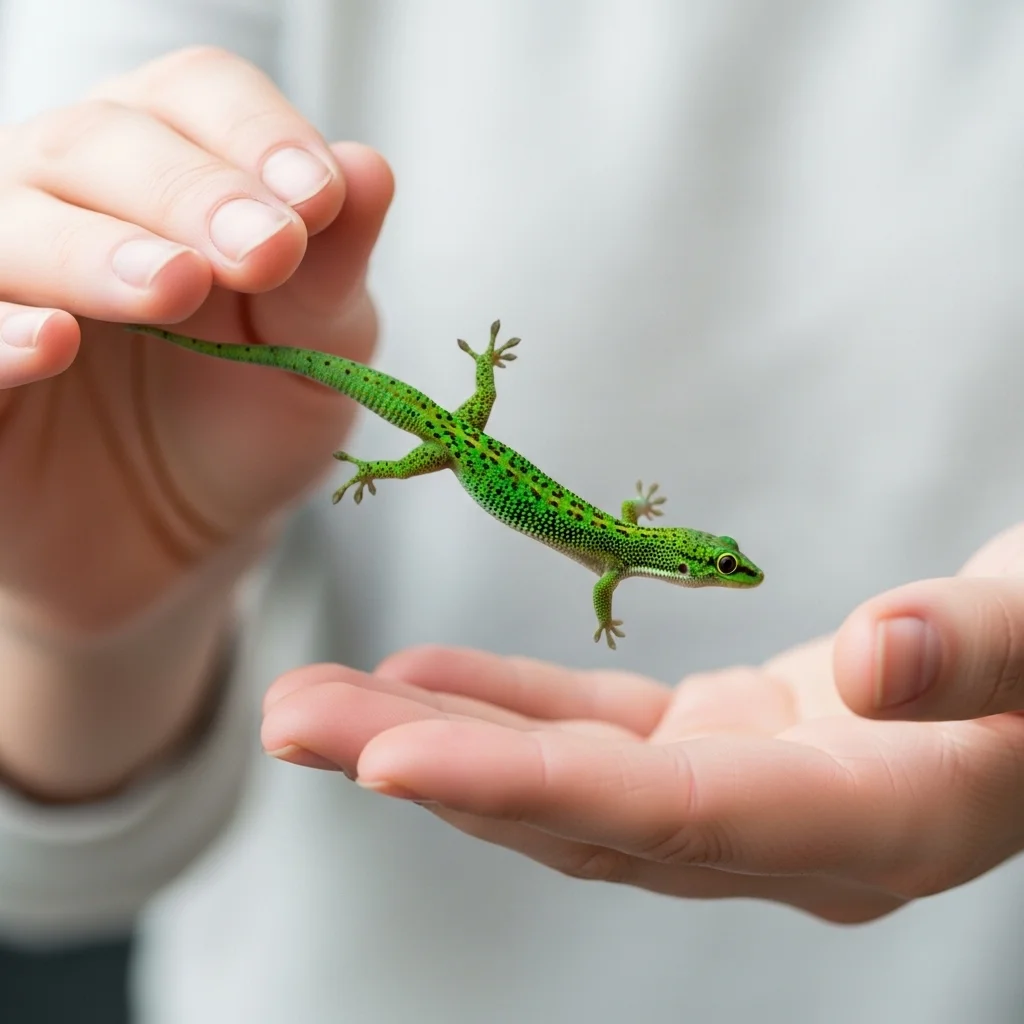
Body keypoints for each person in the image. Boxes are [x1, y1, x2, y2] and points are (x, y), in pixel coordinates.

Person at [2, 1, 1024, 1021]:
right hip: (448, 467)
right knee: (407, 432)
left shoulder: (619, 549)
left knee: (425, 434)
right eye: (718, 565)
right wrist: (71, 629)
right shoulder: (617, 553)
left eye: (719, 565)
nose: (724, 572)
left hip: (460, 454)